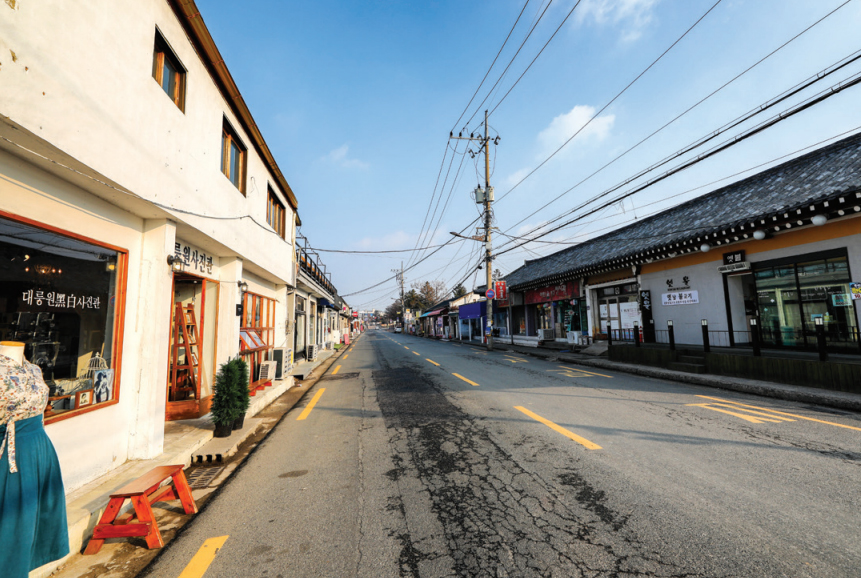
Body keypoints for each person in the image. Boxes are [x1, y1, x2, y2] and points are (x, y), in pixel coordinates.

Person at [0, 341, 70, 577]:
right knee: (13, 523)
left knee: (34, 520)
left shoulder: (33, 369)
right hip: (11, 453)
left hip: (40, 448)